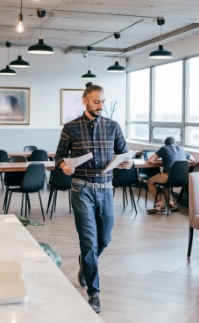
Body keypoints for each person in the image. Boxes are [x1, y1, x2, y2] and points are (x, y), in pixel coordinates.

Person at [54, 82, 131, 313]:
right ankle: (94, 293)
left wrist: (127, 162)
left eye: (103, 101)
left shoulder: (113, 126)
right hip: (81, 189)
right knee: (88, 241)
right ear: (85, 101)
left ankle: (85, 264)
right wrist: (63, 166)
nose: (100, 105)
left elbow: (124, 154)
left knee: (104, 239)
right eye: (96, 101)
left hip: (106, 189)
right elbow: (58, 157)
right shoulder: (71, 127)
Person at [146, 136, 195, 214]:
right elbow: (193, 159)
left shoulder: (164, 148)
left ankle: (160, 204)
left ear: (165, 143)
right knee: (166, 184)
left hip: (169, 176)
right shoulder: (182, 149)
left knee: (150, 181)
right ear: (175, 143)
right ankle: (171, 204)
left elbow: (150, 161)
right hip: (183, 179)